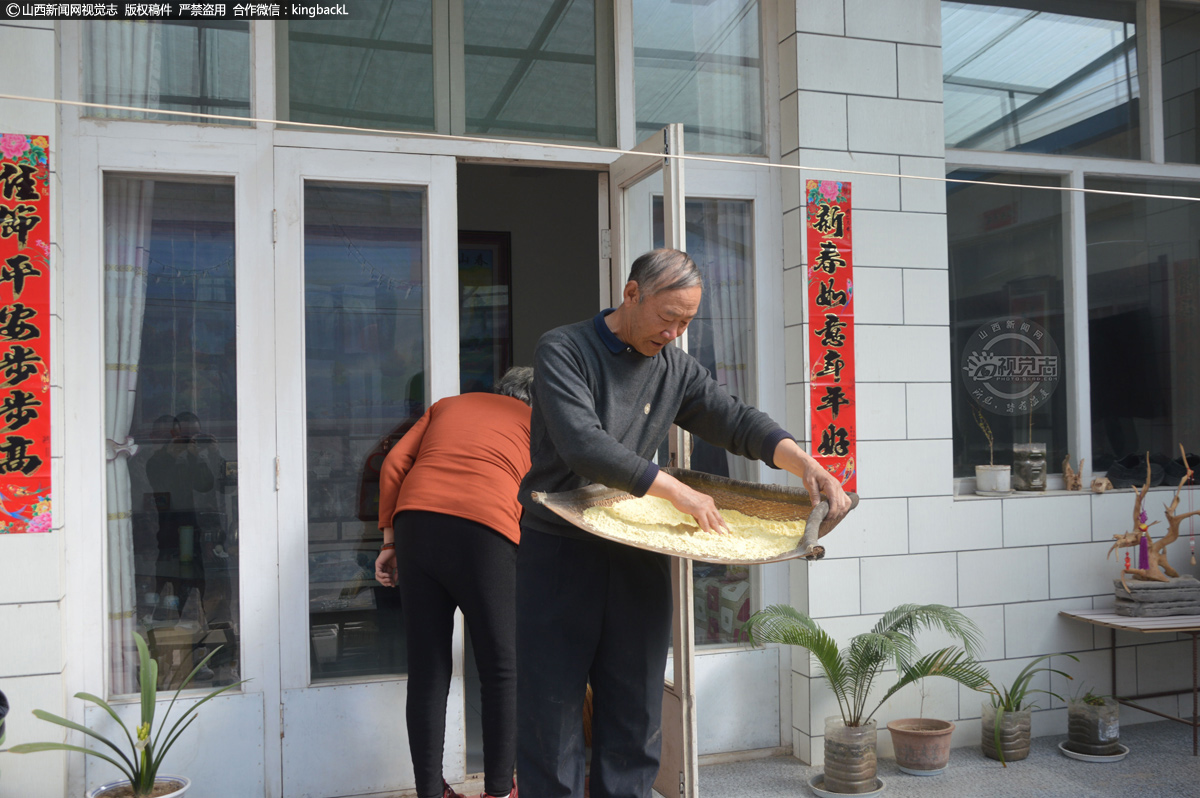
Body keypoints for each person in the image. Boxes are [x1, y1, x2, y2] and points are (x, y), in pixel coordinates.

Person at [516, 248, 852, 798]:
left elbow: (735, 419)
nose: (674, 332)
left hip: (636, 551)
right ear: (631, 295)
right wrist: (678, 491)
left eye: (687, 322)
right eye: (667, 317)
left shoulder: (673, 365)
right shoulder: (564, 348)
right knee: (550, 709)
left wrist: (806, 465)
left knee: (634, 703)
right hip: (559, 549)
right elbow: (584, 447)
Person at [375, 366, 535, 798]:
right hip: (486, 530)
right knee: (501, 667)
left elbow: (394, 463)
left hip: (415, 524)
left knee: (427, 668)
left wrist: (389, 541)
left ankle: (430, 792)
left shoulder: (448, 405)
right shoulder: (538, 423)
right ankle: (500, 791)